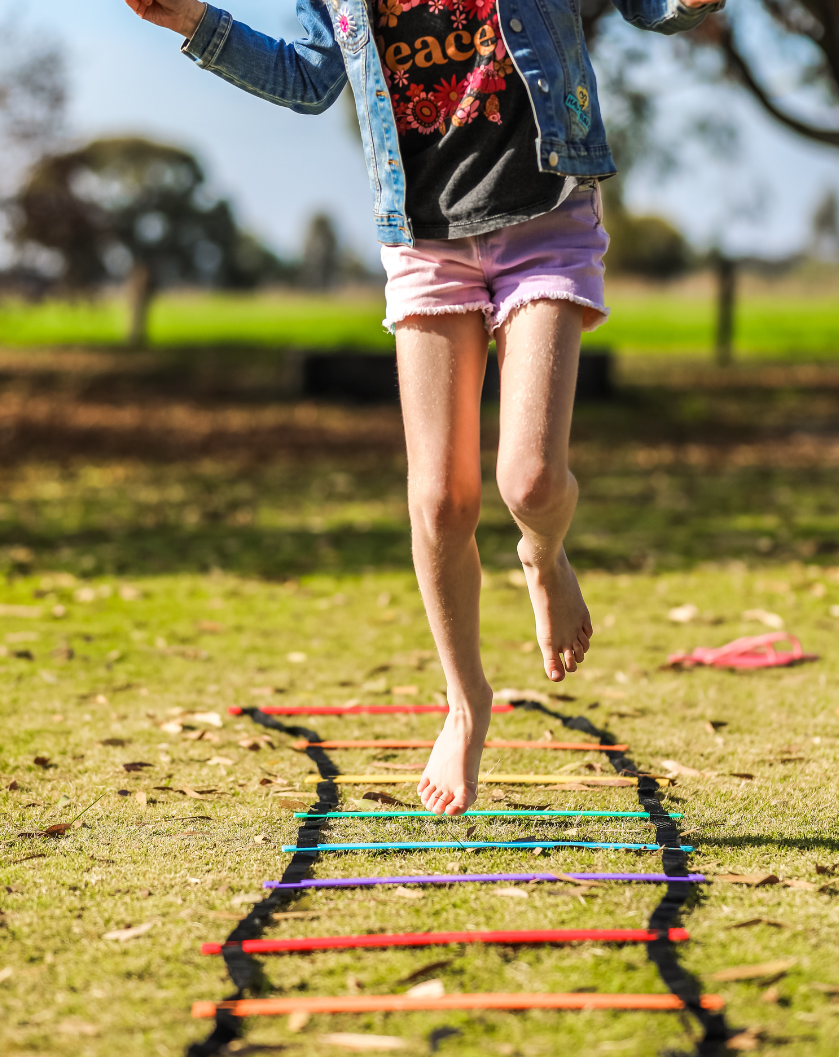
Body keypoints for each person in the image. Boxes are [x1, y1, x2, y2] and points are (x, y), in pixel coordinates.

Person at [126, 0, 723, 816]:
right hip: (424, 235)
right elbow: (309, 78)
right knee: (442, 499)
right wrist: (191, 20)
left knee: (532, 483)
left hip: (546, 212)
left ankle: (544, 557)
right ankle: (465, 699)